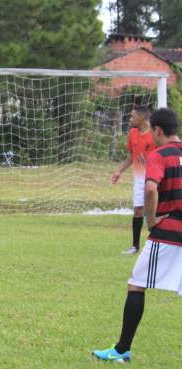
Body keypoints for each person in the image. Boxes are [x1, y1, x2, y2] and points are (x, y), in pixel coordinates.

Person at [92, 108, 182, 363]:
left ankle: (122, 350)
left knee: (136, 284)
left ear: (158, 131)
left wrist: (151, 220)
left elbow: (151, 188)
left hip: (168, 234)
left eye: (152, 131)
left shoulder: (159, 155)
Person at [111, 106, 155, 255]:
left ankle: (155, 242)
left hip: (154, 178)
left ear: (142, 118)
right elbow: (132, 157)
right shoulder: (133, 133)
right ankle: (135, 246)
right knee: (137, 211)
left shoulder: (155, 134)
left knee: (153, 211)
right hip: (138, 178)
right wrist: (119, 171)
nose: (130, 119)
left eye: (132, 116)